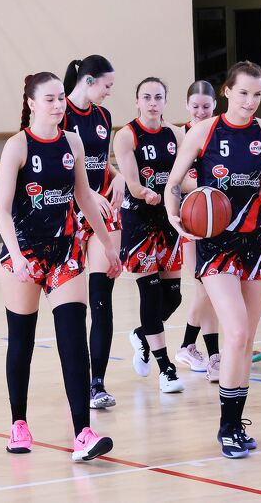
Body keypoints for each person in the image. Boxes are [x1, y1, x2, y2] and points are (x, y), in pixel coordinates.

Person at [165, 61, 261, 459]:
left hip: (256, 241)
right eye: (243, 93)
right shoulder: (203, 132)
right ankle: (226, 427)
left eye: (257, 94)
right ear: (227, 92)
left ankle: (235, 423)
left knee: (246, 339)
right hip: (215, 244)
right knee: (235, 332)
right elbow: (173, 183)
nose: (250, 101)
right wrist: (174, 213)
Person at [0, 72, 120, 461]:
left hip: (64, 253)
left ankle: (83, 432)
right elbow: (2, 209)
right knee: (22, 341)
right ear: (32, 103)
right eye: (49, 99)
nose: (58, 104)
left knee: (73, 339)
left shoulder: (72, 142)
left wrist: (107, 243)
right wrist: (16, 256)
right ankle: (19, 423)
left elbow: (84, 196)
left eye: (61, 98)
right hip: (23, 255)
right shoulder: (17, 146)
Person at [114, 77, 186, 393]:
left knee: (174, 296)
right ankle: (166, 368)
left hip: (169, 217)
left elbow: (185, 177)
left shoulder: (177, 135)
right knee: (151, 293)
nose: (153, 103)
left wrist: (201, 191)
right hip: (139, 219)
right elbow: (132, 183)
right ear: (137, 101)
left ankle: (142, 335)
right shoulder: (126, 136)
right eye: (147, 97)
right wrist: (146, 192)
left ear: (165, 101)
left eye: (158, 97)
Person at [62, 55, 125, 408]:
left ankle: (96, 383)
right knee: (74, 308)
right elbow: (61, 168)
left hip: (103, 215)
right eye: (106, 86)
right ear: (88, 80)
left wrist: (118, 178)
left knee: (102, 300)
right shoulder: (61, 114)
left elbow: (100, 162)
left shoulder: (103, 116)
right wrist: (87, 194)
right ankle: (75, 378)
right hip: (69, 215)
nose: (109, 92)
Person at [174, 80, 221, 380]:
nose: (201, 112)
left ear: (215, 105)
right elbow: (177, 180)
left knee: (211, 289)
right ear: (187, 106)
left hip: (220, 220)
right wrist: (210, 187)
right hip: (192, 220)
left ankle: (193, 347)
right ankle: (206, 352)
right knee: (205, 286)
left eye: (206, 106)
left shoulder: (221, 132)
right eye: (195, 107)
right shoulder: (182, 136)